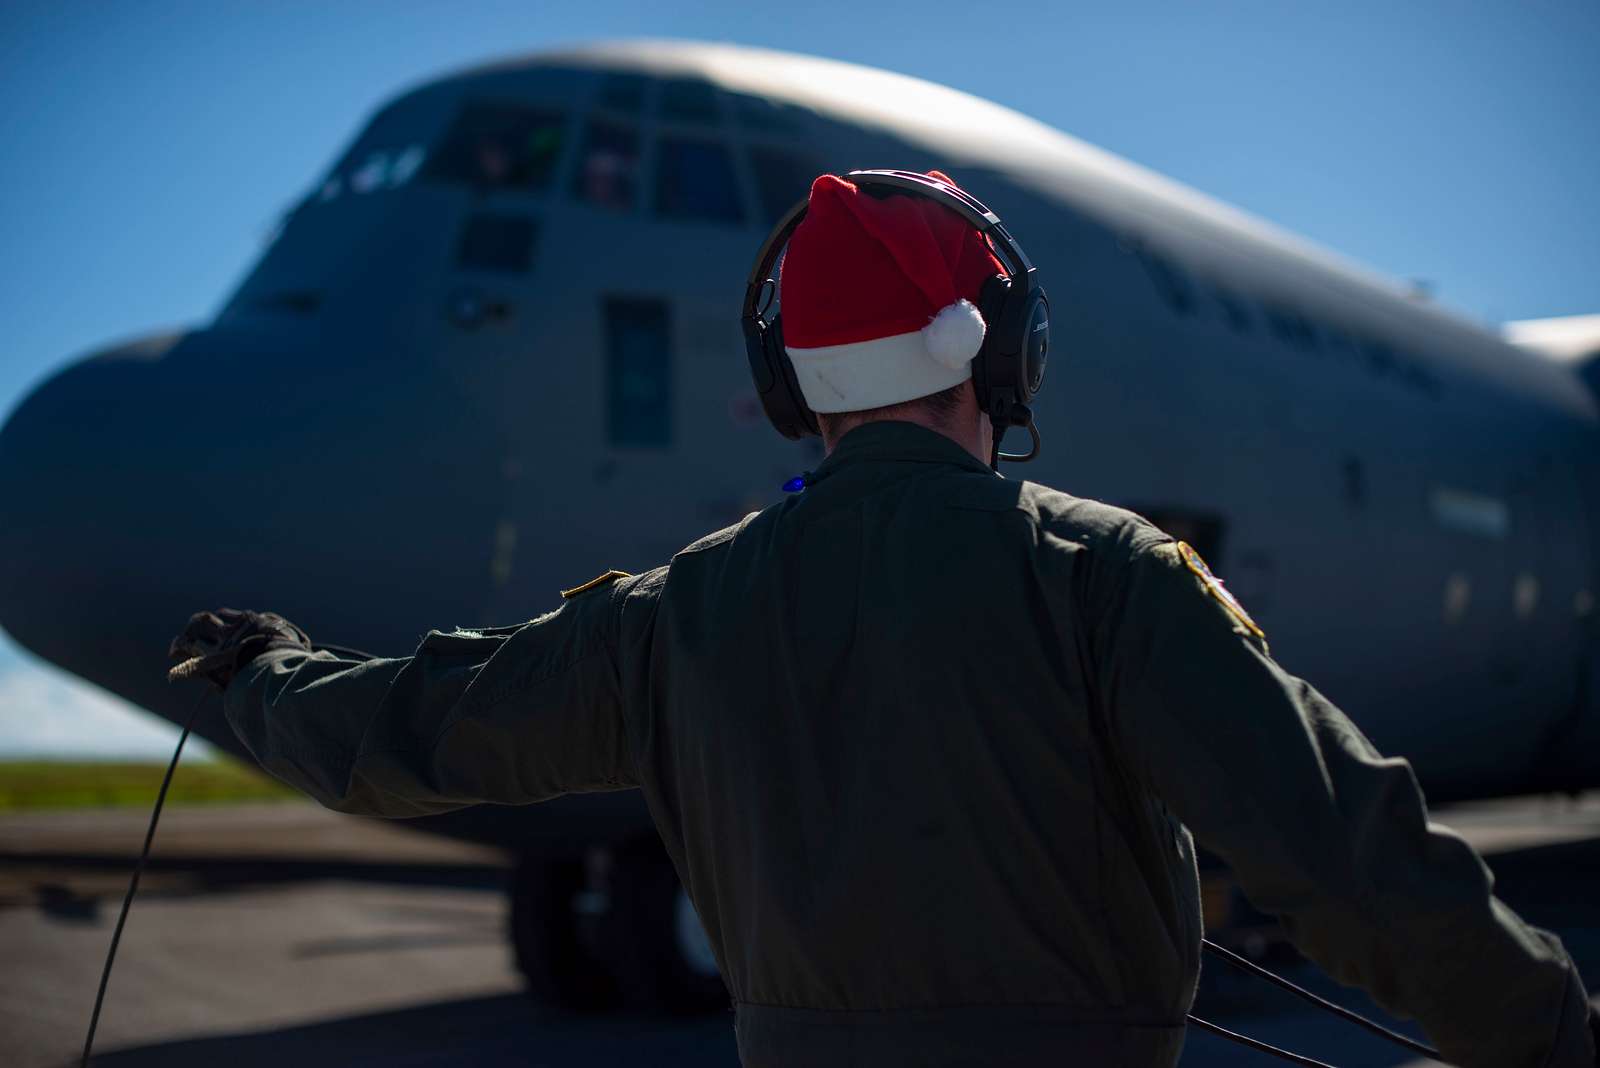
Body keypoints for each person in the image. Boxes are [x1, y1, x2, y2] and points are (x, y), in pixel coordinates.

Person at [171, 171, 1598, 1068]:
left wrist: (260, 674)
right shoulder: (1106, 576)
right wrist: (1546, 1033)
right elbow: (1353, 857)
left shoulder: (684, 608)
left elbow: (412, 729)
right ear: (1007, 352)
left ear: (793, 382)